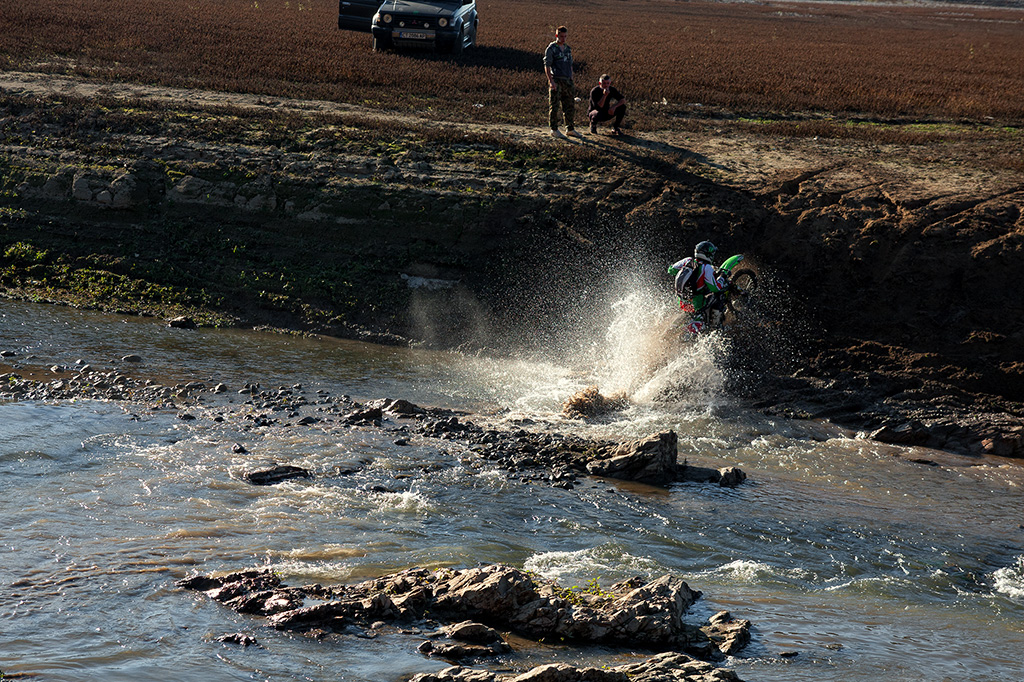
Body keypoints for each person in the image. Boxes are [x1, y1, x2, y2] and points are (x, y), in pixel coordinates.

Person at [667, 240, 726, 334]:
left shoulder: (688, 261)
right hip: (697, 304)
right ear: (708, 254)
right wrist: (722, 278)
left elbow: (671, 270)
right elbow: (715, 288)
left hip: (682, 301)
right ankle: (715, 327)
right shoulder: (707, 268)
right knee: (719, 296)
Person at [543, 26, 581, 139]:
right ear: (556, 36)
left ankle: (570, 128)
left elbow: (570, 65)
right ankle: (554, 129)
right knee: (554, 106)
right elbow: (547, 66)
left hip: (567, 81)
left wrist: (571, 78)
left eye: (565, 36)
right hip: (557, 80)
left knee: (569, 105)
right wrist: (551, 81)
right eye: (561, 36)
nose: (563, 39)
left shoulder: (568, 49)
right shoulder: (551, 49)